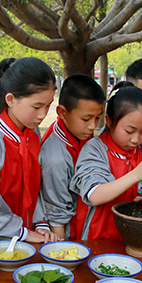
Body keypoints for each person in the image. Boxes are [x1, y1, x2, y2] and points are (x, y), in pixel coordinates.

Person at [70, 82, 142, 243]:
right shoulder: (95, 149)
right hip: (99, 236)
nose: (136, 139)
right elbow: (95, 195)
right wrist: (137, 174)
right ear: (109, 121)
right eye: (129, 131)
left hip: (136, 237)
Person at [0, 57, 60, 242]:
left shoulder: (33, 134)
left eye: (48, 105)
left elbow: (36, 187)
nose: (43, 114)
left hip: (27, 237)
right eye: (36, 106)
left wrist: (40, 224)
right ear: (10, 99)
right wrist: (22, 233)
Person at [40, 74, 105, 240]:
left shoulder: (78, 133)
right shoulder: (55, 158)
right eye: (86, 119)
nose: (92, 126)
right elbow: (56, 214)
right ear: (62, 112)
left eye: (97, 118)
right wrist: (61, 253)